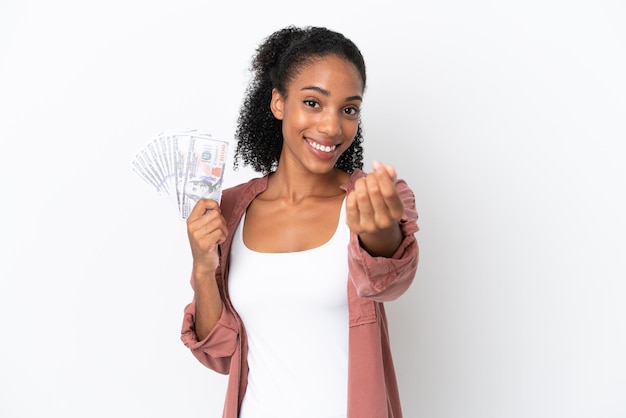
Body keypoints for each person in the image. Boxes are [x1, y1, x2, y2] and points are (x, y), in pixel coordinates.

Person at [180, 25, 419, 418]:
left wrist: (378, 228)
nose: (331, 127)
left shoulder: (372, 198)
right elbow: (219, 355)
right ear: (278, 103)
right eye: (313, 103)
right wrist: (204, 268)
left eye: (349, 109)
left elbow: (390, 278)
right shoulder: (230, 209)